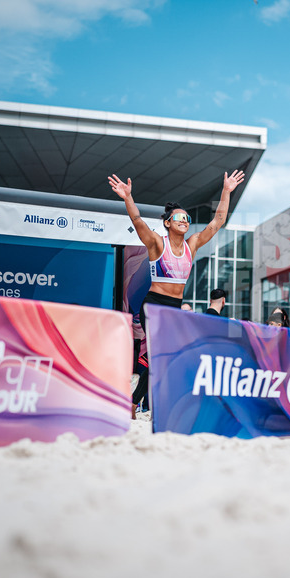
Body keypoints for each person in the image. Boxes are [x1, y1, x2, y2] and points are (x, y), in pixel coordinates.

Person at [108, 168, 245, 409]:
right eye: (179, 218)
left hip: (175, 306)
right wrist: (128, 197)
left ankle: (133, 402)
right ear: (168, 223)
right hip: (154, 303)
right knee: (158, 353)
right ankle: (137, 402)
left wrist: (226, 191)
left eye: (187, 219)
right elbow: (137, 221)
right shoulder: (156, 243)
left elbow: (218, 221)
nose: (184, 222)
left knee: (164, 357)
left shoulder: (192, 245)